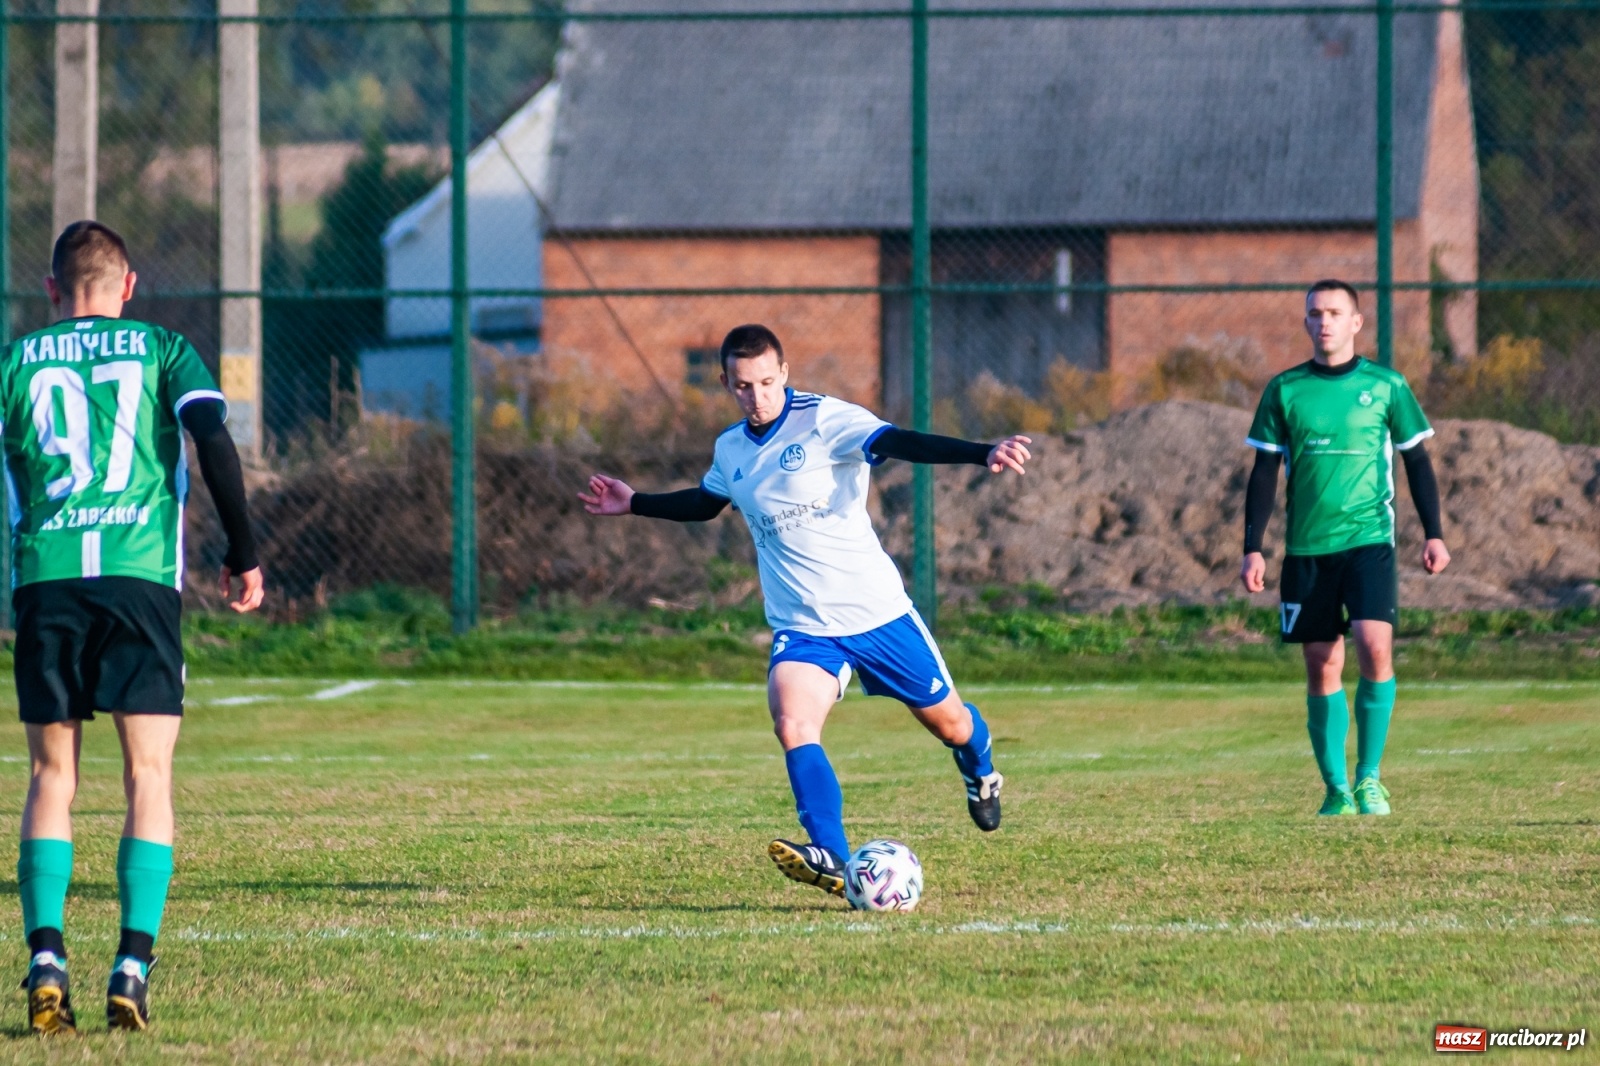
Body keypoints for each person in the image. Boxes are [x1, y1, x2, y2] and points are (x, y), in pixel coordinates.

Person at [581, 324, 1030, 898]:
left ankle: (980, 771)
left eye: (767, 382)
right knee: (793, 723)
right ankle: (832, 855)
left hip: (877, 615)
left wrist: (981, 452)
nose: (757, 396)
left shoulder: (824, 420)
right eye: (743, 386)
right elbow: (706, 502)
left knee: (953, 725)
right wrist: (635, 503)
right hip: (804, 627)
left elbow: (900, 441)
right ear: (725, 383)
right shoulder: (731, 449)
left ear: (785, 374)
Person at [7, 222, 264, 1033]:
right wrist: (244, 551)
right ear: (128, 285)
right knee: (147, 775)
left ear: (52, 290)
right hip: (139, 579)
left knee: (51, 775)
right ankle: (130, 964)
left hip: (46, 579)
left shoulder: (16, 360)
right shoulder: (162, 347)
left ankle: (47, 957)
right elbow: (211, 437)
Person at [1240, 279, 1449, 817]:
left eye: (1334, 313)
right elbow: (1263, 472)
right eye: (1315, 313)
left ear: (1356, 322)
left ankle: (1369, 778)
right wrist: (1253, 547)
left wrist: (1434, 532)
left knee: (1374, 647)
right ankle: (1336, 789)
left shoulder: (1387, 386)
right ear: (1306, 323)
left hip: (1369, 541)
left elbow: (1416, 461)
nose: (1324, 322)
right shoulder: (1285, 390)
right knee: (1321, 661)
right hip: (1307, 548)